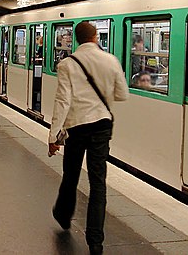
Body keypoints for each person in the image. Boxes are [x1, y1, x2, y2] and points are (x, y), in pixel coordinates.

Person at [49, 21, 129, 255]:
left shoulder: (67, 64)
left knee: (71, 174)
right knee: (98, 183)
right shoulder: (111, 60)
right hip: (102, 127)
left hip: (78, 127)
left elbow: (62, 101)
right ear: (95, 37)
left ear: (77, 38)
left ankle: (63, 215)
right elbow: (122, 94)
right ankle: (95, 242)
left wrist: (53, 135)